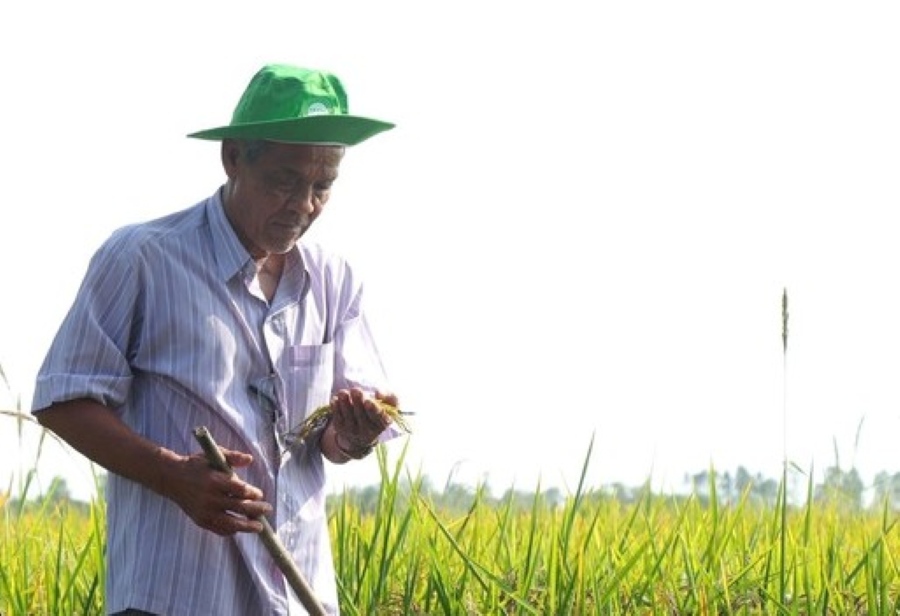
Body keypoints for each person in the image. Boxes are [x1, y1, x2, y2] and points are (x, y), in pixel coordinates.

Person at [31, 63, 402, 616]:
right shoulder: (143, 258)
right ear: (233, 158)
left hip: (295, 597)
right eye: (284, 181)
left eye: (322, 186)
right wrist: (173, 476)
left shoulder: (332, 280)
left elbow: (333, 442)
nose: (303, 205)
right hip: (172, 598)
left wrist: (354, 435)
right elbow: (62, 400)